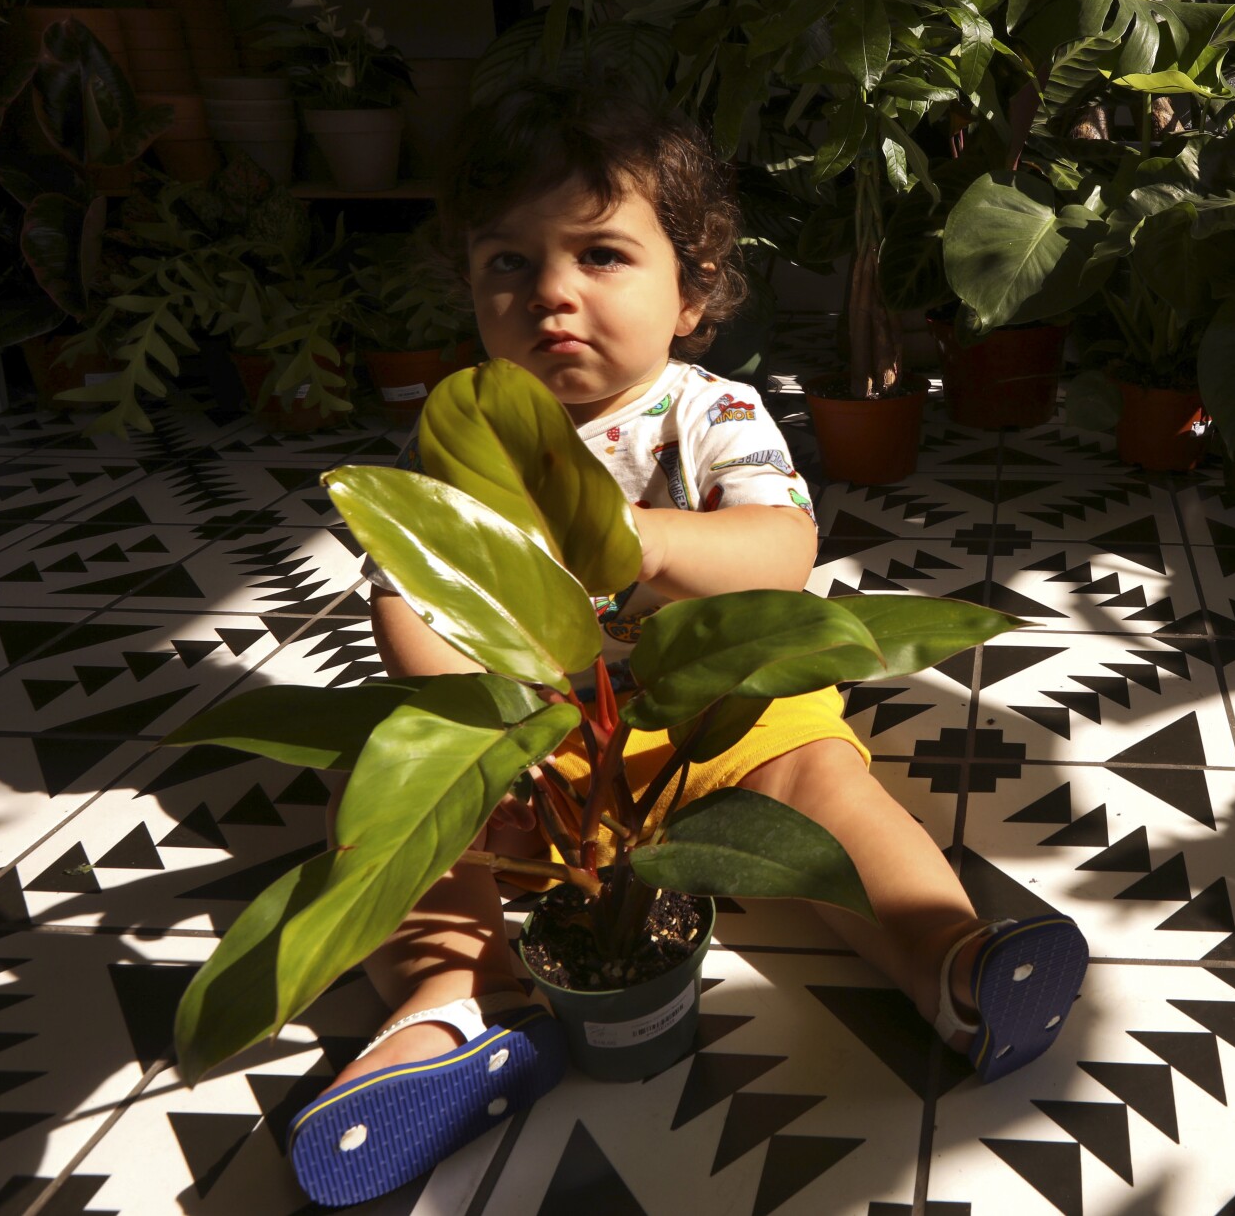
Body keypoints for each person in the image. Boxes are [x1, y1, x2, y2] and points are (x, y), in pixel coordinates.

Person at [286, 72, 1087, 1207]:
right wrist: (464, 748)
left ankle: (951, 961)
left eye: (600, 255)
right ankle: (450, 1012)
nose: (551, 295)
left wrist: (630, 536)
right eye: (507, 263)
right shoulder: (467, 439)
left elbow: (780, 550)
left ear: (692, 289)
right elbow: (405, 600)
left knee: (823, 788)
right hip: (532, 751)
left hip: (716, 719)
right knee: (383, 818)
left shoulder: (708, 412)